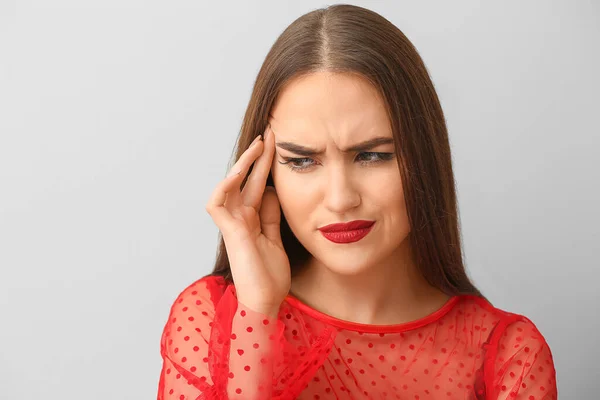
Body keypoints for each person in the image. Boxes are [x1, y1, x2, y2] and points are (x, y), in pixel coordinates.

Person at [156, 4, 557, 399]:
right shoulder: (208, 318)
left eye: (372, 155)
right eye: (302, 161)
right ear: (265, 173)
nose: (340, 198)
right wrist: (257, 316)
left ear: (424, 157)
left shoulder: (509, 356)